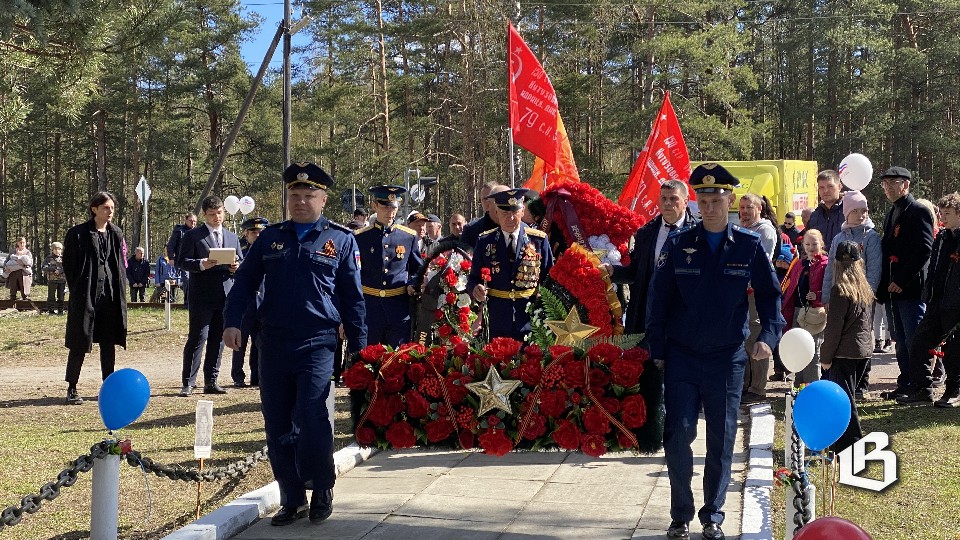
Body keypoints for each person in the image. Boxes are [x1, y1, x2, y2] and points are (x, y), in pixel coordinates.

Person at [224, 162, 366, 526]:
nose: (301, 201)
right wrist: (232, 323)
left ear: (323, 199)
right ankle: (292, 496)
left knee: (312, 416)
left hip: (318, 343)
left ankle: (321, 488)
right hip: (273, 343)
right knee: (277, 423)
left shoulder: (341, 240)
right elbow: (244, 285)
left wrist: (360, 348)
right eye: (294, 195)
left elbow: (353, 298)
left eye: (308, 195)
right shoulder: (270, 238)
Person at [647, 164, 784, 540]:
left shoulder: (748, 245)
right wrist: (656, 349)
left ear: (730, 201)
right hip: (682, 356)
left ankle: (713, 515)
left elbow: (771, 296)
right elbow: (659, 301)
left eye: (716, 199)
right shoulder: (679, 245)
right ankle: (680, 513)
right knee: (678, 434)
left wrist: (767, 338)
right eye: (703, 200)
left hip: (726, 358)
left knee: (722, 439)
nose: (709, 207)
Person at [606, 180, 698, 336]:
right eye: (663, 198)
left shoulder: (698, 234)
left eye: (674, 198)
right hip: (647, 315)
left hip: (683, 316)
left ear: (685, 201)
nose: (668, 203)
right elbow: (636, 272)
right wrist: (613, 272)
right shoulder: (646, 233)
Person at [62, 192, 128, 405]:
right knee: (80, 341)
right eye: (106, 208)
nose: (110, 212)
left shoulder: (116, 233)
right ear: (94, 209)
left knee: (108, 342)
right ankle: (72, 387)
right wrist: (79, 289)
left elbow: (118, 263)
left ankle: (108, 386)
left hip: (109, 296)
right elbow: (69, 266)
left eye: (112, 208)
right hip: (86, 295)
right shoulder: (78, 233)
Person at [876, 166, 934, 400]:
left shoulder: (918, 210)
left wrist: (901, 279)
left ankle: (923, 386)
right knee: (899, 339)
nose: (888, 188)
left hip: (910, 288)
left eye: (893, 183)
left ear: (906, 185)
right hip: (893, 290)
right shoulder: (893, 211)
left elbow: (924, 250)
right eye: (885, 184)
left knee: (914, 339)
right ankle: (907, 381)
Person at [897, 193, 960, 406]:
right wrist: (928, 292)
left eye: (948, 213)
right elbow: (934, 267)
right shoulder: (942, 237)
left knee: (953, 350)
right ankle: (922, 389)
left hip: (955, 304)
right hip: (935, 300)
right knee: (919, 342)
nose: (943, 217)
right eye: (941, 213)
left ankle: (953, 391)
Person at [467, 188, 553, 341]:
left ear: (522, 211)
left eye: (514, 213)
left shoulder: (539, 240)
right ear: (496, 213)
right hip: (497, 320)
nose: (510, 218)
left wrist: (545, 311)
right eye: (505, 214)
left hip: (531, 320)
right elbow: (473, 278)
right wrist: (475, 289)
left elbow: (550, 280)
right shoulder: (485, 241)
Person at [176, 195, 242, 396]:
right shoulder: (193, 236)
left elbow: (241, 261)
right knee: (198, 337)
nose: (217, 218)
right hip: (202, 295)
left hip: (225, 294)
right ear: (205, 214)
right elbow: (181, 261)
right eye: (212, 214)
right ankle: (188, 382)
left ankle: (211, 381)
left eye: (220, 213)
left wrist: (236, 266)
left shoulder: (232, 237)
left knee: (218, 339)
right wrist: (201, 264)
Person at [821, 190, 882, 397]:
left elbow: (874, 269)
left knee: (863, 334)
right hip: (840, 295)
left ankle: (862, 383)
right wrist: (826, 296)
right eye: (855, 211)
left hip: (863, 296)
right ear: (846, 213)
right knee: (841, 332)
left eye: (864, 210)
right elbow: (831, 268)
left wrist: (866, 295)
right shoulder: (839, 237)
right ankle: (839, 379)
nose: (861, 215)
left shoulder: (871, 237)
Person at [820, 241, 875, 451]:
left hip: (844, 353)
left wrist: (825, 357)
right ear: (859, 263)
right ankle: (843, 443)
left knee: (844, 402)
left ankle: (852, 444)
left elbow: (834, 330)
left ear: (835, 263)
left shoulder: (839, 290)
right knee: (847, 399)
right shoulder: (864, 289)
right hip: (862, 352)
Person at [354, 186, 424, 347]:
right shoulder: (360, 238)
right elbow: (353, 275)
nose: (390, 211)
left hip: (398, 309)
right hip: (369, 309)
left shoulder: (408, 237)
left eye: (393, 207)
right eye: (385, 206)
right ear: (374, 206)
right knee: (365, 362)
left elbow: (417, 269)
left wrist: (412, 283)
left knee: (397, 362)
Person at [738, 193, 779, 403]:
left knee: (756, 338)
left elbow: (758, 262)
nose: (744, 211)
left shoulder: (765, 230)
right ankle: (744, 384)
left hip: (755, 292)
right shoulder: (740, 230)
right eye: (741, 207)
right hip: (739, 293)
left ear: (759, 209)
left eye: (748, 207)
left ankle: (758, 388)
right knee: (743, 339)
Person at [230, 216, 268, 388]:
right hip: (246, 304)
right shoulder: (240, 253)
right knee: (240, 342)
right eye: (254, 232)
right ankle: (238, 376)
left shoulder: (271, 251)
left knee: (260, 344)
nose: (258, 235)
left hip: (263, 303)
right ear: (246, 234)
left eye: (261, 231)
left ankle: (257, 376)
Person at [806, 170, 845, 251]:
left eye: (830, 186)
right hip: (819, 262)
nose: (825, 191)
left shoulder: (849, 212)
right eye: (821, 187)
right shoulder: (815, 216)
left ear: (839, 187)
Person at [460, 182, 506, 249]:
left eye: (491, 197)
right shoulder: (471, 230)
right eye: (485, 199)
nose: (488, 202)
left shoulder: (513, 224)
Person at [168, 212, 197, 305]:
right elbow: (171, 245)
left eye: (195, 221)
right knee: (186, 279)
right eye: (191, 221)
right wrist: (171, 257)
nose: (193, 223)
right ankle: (186, 301)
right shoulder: (179, 231)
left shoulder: (198, 232)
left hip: (195, 261)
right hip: (181, 260)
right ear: (186, 220)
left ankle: (192, 300)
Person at [43, 241, 66, 315]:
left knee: (61, 297)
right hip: (52, 280)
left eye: (59, 249)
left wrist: (60, 271)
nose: (57, 251)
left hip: (62, 280)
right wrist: (53, 269)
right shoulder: (48, 258)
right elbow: (44, 267)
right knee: (51, 297)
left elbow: (68, 267)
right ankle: (51, 311)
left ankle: (60, 311)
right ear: (52, 250)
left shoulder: (64, 258)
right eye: (55, 249)